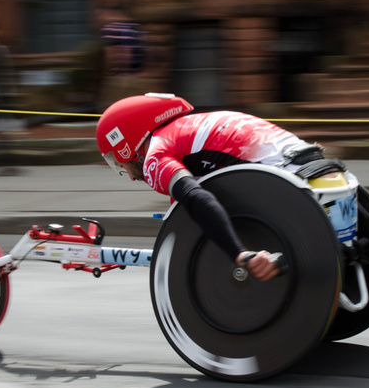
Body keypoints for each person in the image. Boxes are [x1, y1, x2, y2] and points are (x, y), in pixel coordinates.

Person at [96, 93, 330, 282]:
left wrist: (239, 254)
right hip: (317, 164)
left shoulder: (155, 155)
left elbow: (197, 198)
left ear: (126, 145)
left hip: (289, 181)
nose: (128, 175)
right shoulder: (189, 126)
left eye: (119, 163)